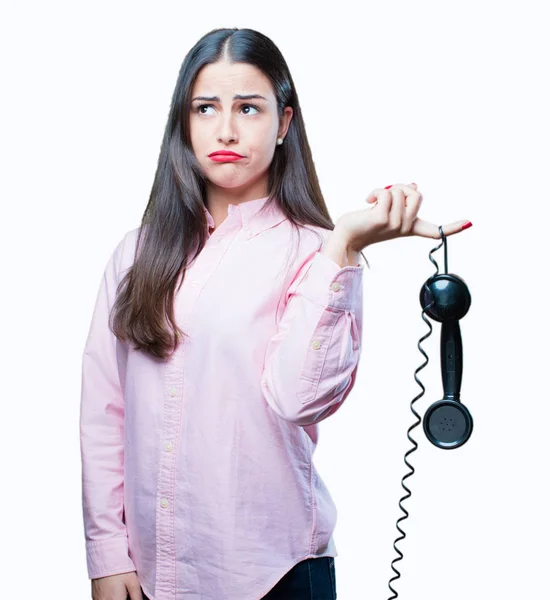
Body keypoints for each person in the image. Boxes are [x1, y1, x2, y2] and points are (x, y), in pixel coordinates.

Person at [80, 27, 472, 600]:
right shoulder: (136, 253)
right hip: (149, 575)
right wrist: (106, 551)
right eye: (206, 108)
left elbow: (298, 397)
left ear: (284, 123)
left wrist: (343, 246)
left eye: (249, 108)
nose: (227, 129)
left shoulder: (316, 252)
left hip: (276, 576)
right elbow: (103, 411)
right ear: (183, 123)